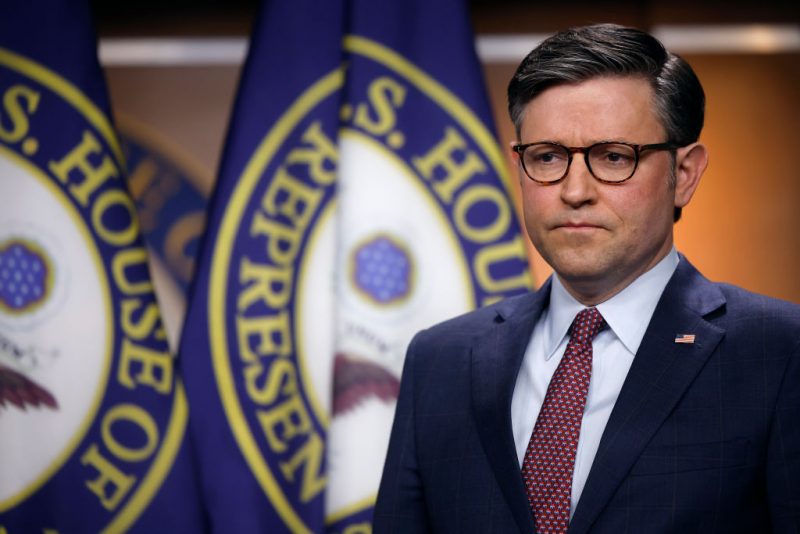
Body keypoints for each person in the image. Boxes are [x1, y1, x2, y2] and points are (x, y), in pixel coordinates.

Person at [373, 23, 799, 533]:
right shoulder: (440, 360)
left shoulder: (779, 353)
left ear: (684, 174)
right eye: (547, 157)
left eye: (614, 157)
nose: (575, 191)